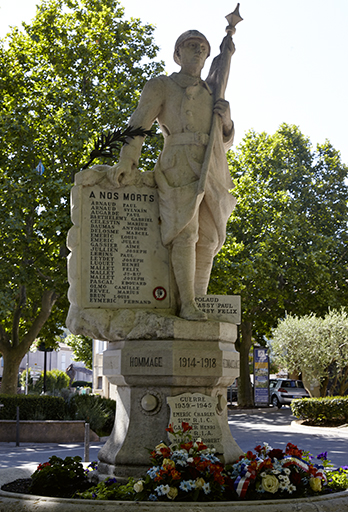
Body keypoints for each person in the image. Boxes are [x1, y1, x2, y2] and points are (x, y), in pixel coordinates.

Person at [108, 30, 237, 321]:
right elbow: (139, 124)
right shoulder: (161, 86)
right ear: (177, 54)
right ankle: (187, 303)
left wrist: (227, 119)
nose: (198, 52)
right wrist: (128, 160)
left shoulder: (212, 91)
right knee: (185, 233)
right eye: (191, 46)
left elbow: (224, 140)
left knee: (209, 237)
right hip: (177, 164)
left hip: (211, 167)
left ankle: (198, 300)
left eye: (203, 48)